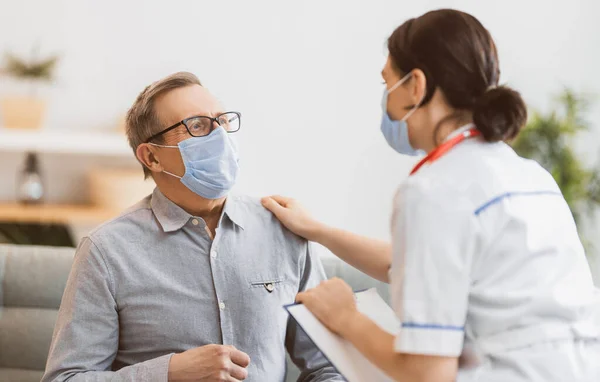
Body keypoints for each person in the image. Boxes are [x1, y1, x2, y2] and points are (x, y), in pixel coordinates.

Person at [261, 9, 600, 382]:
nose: (385, 100)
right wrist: (317, 230)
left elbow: (426, 373)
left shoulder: (434, 190)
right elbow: (415, 263)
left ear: (416, 86)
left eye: (387, 83)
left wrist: (346, 319)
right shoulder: (528, 175)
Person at [42, 72, 343, 382]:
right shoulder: (107, 251)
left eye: (222, 121)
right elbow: (65, 379)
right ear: (152, 157)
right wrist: (168, 373)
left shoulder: (284, 228)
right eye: (197, 126)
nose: (220, 137)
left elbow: (329, 366)